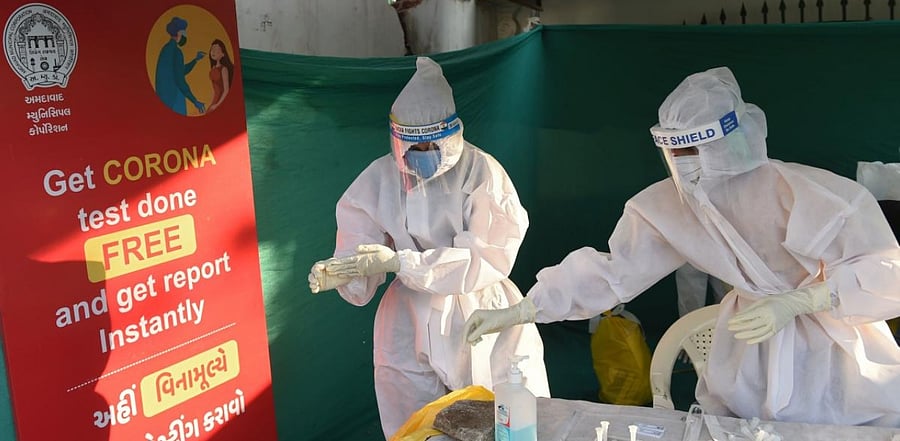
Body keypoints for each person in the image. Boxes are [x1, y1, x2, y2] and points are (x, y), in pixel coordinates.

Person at [464, 66, 900, 427]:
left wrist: (802, 300)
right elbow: (617, 271)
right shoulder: (671, 205)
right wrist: (525, 308)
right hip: (747, 349)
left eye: (695, 147)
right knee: (734, 426)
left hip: (833, 352)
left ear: (732, 137)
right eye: (676, 151)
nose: (684, 164)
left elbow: (888, 269)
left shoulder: (813, 194)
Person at [308, 57, 550, 440]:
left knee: (504, 414)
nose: (420, 152)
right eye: (411, 143)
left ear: (451, 134)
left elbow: (488, 256)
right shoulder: (380, 177)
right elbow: (358, 239)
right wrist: (346, 270)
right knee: (413, 421)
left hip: (480, 309)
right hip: (408, 315)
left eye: (430, 142)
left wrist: (401, 261)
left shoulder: (481, 171)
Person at [154, 17, 206, 115]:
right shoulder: (176, 52)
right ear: (179, 33)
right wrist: (195, 101)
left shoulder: (166, 49)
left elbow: (180, 70)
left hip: (164, 98)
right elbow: (180, 79)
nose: (185, 35)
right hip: (174, 97)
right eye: (184, 33)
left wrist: (195, 60)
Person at [206, 39, 233, 113]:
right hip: (215, 99)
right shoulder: (213, 68)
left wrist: (217, 105)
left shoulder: (223, 69)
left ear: (223, 54)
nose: (213, 52)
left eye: (216, 49)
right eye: (212, 49)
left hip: (221, 99)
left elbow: (226, 90)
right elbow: (215, 90)